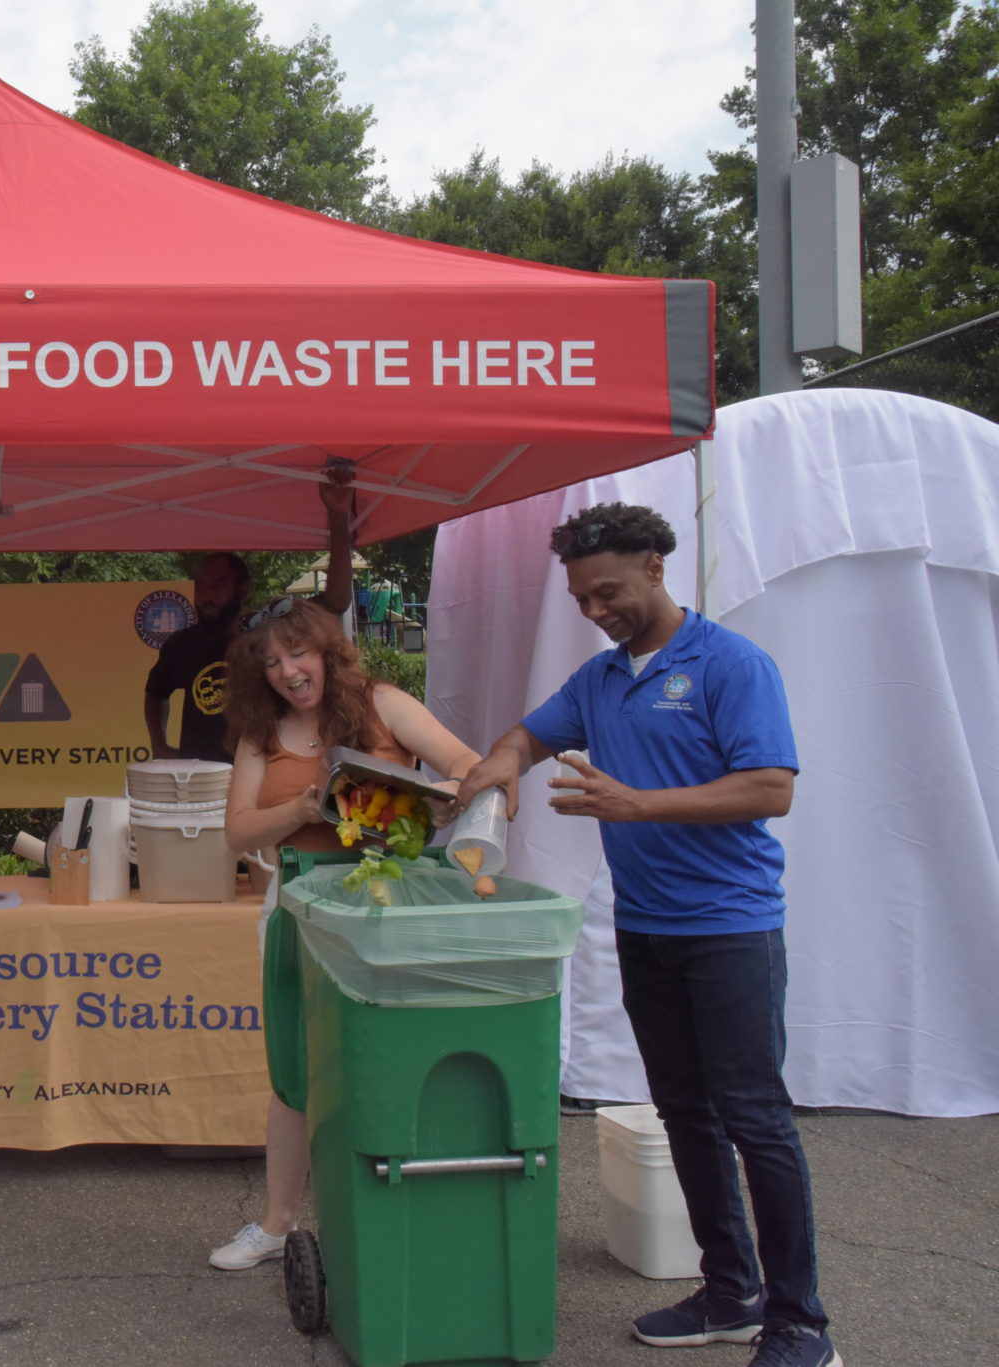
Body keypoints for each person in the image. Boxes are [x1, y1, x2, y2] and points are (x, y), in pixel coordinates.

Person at [455, 504, 836, 1367]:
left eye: (610, 592)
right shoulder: (602, 679)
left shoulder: (730, 664)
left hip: (731, 929)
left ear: (658, 568)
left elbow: (770, 786)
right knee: (687, 1114)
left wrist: (637, 804)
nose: (597, 611)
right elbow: (529, 731)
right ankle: (730, 1290)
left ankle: (801, 1322)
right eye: (583, 598)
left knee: (757, 1119)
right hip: (648, 929)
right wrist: (502, 766)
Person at [209, 596, 478, 1271]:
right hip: (297, 894)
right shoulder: (261, 732)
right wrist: (302, 805)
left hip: (388, 897)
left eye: (297, 653)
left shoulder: (384, 703)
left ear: (327, 650)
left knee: (395, 1053)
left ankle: (405, 1206)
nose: (287, 672)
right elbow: (237, 829)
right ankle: (276, 1224)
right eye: (270, 662)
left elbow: (467, 767)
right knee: (298, 1066)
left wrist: (426, 798)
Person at [145, 475, 356, 763]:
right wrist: (159, 744)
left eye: (218, 585)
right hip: (200, 780)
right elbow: (154, 693)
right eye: (201, 585)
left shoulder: (267, 632)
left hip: (265, 771)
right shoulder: (181, 645)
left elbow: (337, 599)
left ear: (241, 587)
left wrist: (338, 515)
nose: (207, 595)